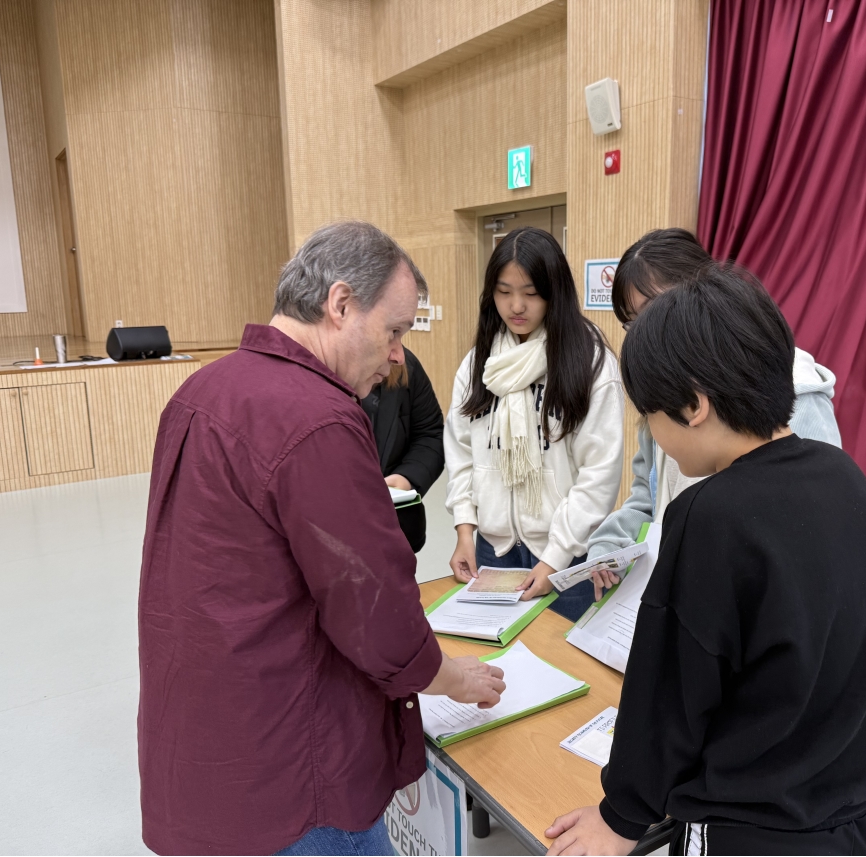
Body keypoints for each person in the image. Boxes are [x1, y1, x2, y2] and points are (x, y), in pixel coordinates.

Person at [137, 221, 506, 856]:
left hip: (204, 741)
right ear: (340, 306)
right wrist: (448, 677)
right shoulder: (317, 419)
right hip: (292, 765)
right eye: (394, 331)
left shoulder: (202, 391)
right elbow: (373, 607)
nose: (398, 355)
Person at [546, 265, 866, 856]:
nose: (652, 435)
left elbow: (670, 696)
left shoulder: (708, 515)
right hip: (849, 818)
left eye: (649, 415)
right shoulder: (849, 480)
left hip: (748, 828)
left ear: (692, 405)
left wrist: (622, 816)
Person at [586, 228, 842, 595]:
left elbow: (810, 535)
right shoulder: (664, 394)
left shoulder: (798, 395)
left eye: (653, 310)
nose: (644, 332)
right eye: (631, 323)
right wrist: (609, 545)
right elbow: (649, 496)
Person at [444, 227, 624, 622]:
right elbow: (460, 452)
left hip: (566, 553)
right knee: (501, 669)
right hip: (495, 549)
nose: (516, 306)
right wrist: (464, 532)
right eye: (504, 291)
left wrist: (556, 557)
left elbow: (599, 473)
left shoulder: (589, 364)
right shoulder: (480, 364)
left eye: (530, 292)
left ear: (554, 291)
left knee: (565, 669)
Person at [359, 346, 445, 552]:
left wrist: (406, 478)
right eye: (392, 331)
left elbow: (430, 433)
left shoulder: (406, 366)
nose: (399, 355)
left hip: (396, 529)